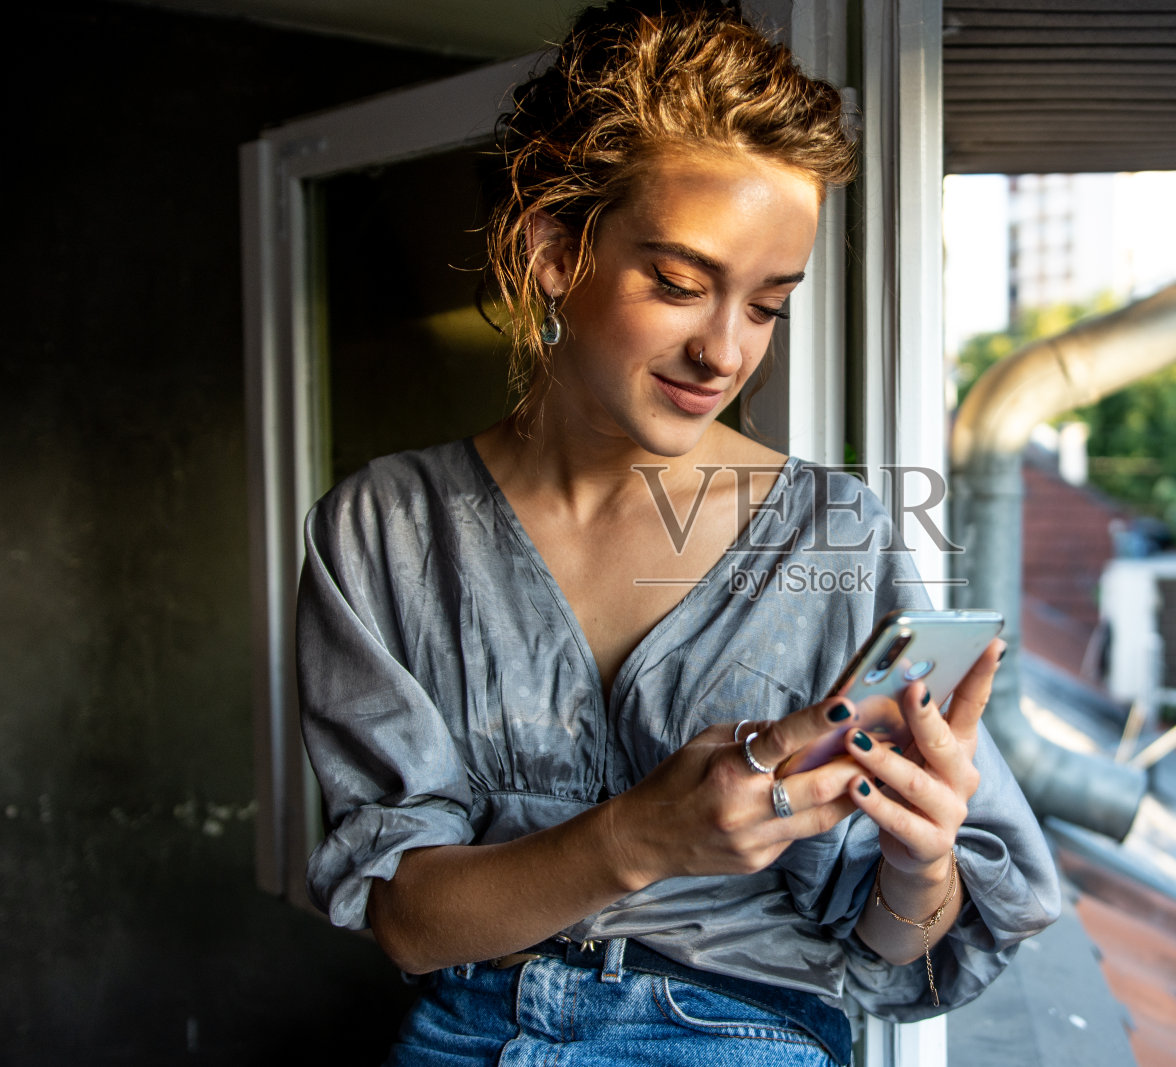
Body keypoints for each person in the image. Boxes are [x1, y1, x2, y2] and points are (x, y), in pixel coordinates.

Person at [295, 2, 1060, 1064]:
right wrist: (639, 834)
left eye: (767, 305)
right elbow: (411, 923)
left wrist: (920, 863)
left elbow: (891, 960)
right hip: (467, 1033)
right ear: (554, 249)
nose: (724, 351)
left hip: (747, 1033)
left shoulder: (833, 536)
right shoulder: (383, 529)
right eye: (679, 282)